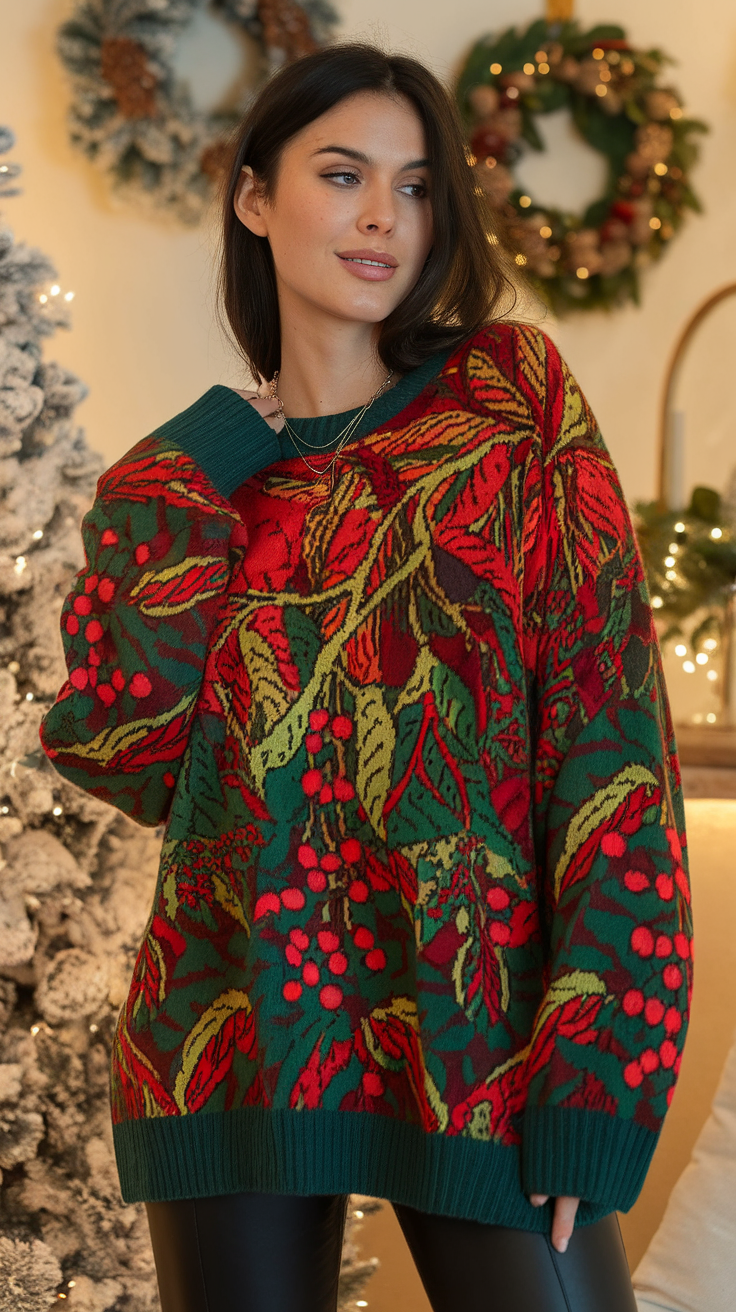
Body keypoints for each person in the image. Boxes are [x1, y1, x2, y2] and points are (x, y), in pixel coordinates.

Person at [40, 42, 693, 1312]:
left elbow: (613, 753)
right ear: (251, 196)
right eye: (341, 175)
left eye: (416, 184)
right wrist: (214, 448)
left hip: (483, 1041)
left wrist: (598, 1074)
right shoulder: (190, 483)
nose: (384, 215)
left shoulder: (512, 406)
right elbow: (125, 751)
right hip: (233, 1038)